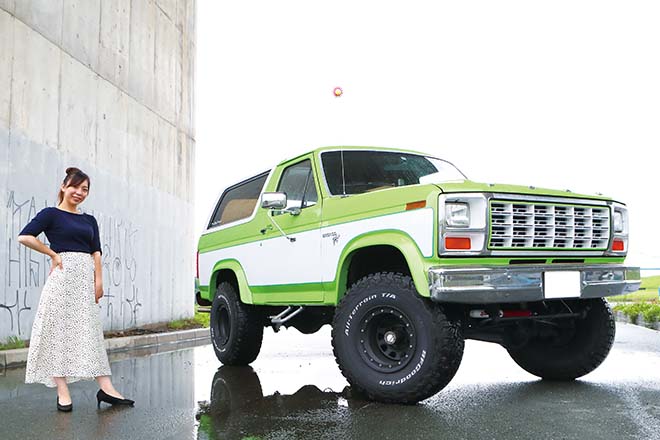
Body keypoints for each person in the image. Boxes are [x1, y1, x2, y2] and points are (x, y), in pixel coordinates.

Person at [17, 167, 134, 412]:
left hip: (85, 278)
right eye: (75, 187)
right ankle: (62, 391)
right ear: (63, 187)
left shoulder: (89, 220)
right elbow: (25, 237)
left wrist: (98, 280)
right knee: (58, 332)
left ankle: (106, 387)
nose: (79, 193)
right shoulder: (51, 214)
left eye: (85, 189)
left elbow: (96, 251)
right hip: (62, 278)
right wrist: (52, 254)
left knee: (90, 331)